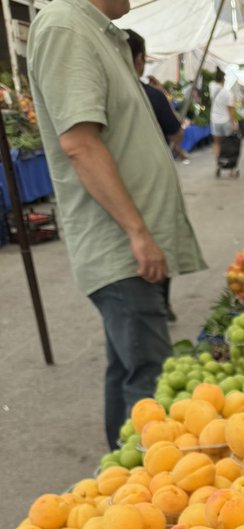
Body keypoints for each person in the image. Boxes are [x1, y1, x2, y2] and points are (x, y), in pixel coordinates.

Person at [27, 0, 205, 451]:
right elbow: (80, 145)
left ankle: (120, 484)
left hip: (130, 243)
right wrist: (137, 232)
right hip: (119, 245)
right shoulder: (65, 27)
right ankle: (143, 500)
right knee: (150, 379)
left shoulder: (100, 34)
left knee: (128, 369)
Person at [125, 28, 182, 321]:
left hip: (119, 185)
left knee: (131, 244)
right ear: (138, 59)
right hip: (154, 185)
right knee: (160, 241)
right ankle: (160, 302)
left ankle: (140, 302)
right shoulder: (152, 95)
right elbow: (176, 132)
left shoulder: (106, 95)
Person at [209, 66, 237, 166]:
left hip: (214, 120)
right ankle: (227, 161)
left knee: (216, 143)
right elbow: (230, 111)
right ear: (223, 79)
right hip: (225, 121)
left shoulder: (211, 86)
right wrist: (233, 122)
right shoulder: (228, 93)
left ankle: (218, 162)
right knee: (227, 143)